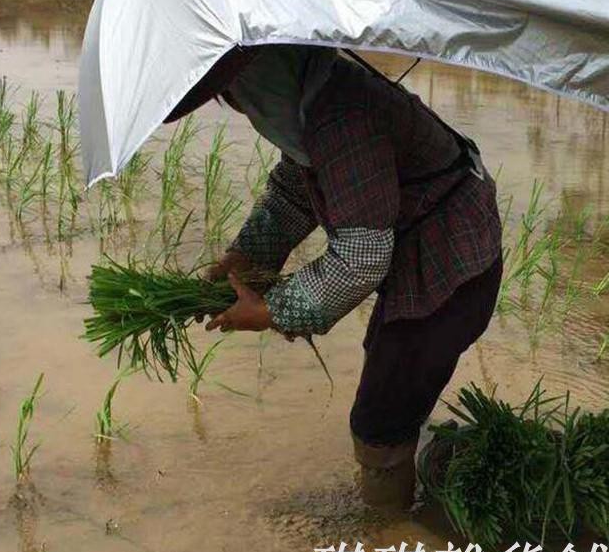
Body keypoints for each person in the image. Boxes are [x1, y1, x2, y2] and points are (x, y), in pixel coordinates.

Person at [165, 44, 503, 508]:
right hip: (427, 254)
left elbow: (362, 256)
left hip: (452, 266)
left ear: (265, 75)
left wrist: (269, 311)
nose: (240, 106)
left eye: (238, 92)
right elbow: (294, 194)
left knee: (378, 420)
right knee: (390, 381)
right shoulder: (316, 94)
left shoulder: (341, 115)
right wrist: (242, 261)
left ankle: (386, 533)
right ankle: (412, 473)